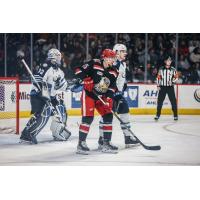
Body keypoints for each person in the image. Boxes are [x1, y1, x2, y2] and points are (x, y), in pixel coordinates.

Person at [20, 48, 72, 144]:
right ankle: (27, 135)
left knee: (61, 107)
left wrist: (70, 86)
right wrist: (41, 87)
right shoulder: (45, 66)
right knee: (43, 114)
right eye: (58, 57)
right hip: (38, 95)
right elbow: (36, 79)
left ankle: (58, 131)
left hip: (50, 97)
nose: (59, 59)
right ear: (53, 57)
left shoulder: (60, 71)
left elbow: (63, 85)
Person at [74, 49, 118, 154]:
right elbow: (78, 70)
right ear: (104, 58)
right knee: (88, 118)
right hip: (89, 95)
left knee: (108, 116)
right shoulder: (94, 63)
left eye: (113, 58)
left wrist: (108, 99)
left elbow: (112, 87)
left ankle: (105, 143)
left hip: (101, 97)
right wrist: (86, 79)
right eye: (110, 58)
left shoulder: (114, 71)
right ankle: (81, 144)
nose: (112, 60)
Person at [98, 44, 139, 149]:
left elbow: (121, 80)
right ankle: (102, 139)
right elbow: (106, 80)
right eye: (122, 51)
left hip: (118, 94)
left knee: (125, 111)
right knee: (106, 117)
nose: (125, 53)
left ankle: (127, 137)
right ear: (116, 52)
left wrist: (123, 87)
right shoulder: (112, 64)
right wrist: (110, 93)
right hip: (110, 94)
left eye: (125, 51)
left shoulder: (123, 64)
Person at [155, 56, 178, 121]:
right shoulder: (161, 69)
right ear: (165, 61)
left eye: (170, 61)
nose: (169, 62)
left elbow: (176, 77)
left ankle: (175, 115)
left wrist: (172, 81)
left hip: (170, 87)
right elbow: (158, 77)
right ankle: (157, 115)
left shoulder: (173, 69)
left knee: (173, 101)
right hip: (162, 87)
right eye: (168, 60)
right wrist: (158, 85)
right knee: (160, 101)